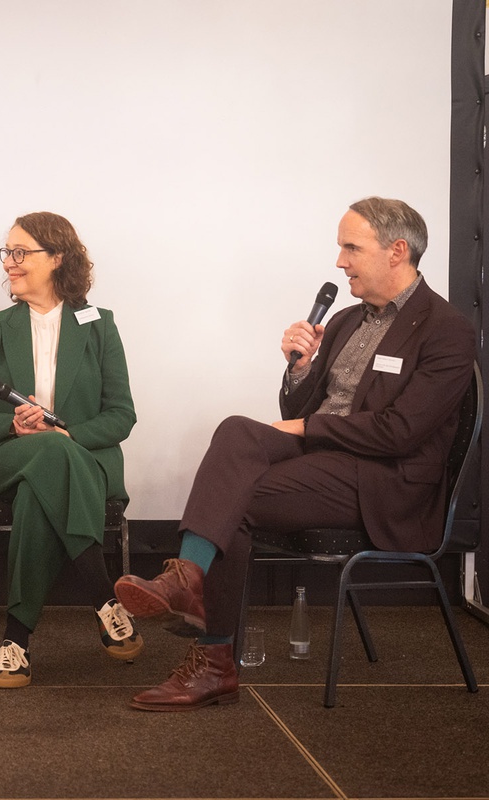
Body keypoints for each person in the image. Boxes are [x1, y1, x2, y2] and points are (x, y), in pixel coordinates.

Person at [114, 197, 477, 711]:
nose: (339, 261)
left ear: (398, 251)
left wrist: (307, 424)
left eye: (351, 247)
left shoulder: (446, 328)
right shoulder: (351, 320)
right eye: (340, 247)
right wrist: (300, 369)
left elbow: (402, 432)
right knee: (236, 430)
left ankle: (210, 651)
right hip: (322, 457)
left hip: (383, 480)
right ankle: (187, 586)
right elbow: (297, 404)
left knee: (231, 502)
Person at [0, 211, 141, 689]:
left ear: (57, 257)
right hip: (8, 460)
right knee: (48, 460)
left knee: (47, 482)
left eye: (21, 253)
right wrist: (14, 426)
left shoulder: (100, 325)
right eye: (8, 253)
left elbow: (122, 415)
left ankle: (16, 640)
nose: (10, 264)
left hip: (80, 462)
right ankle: (104, 597)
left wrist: (67, 435)